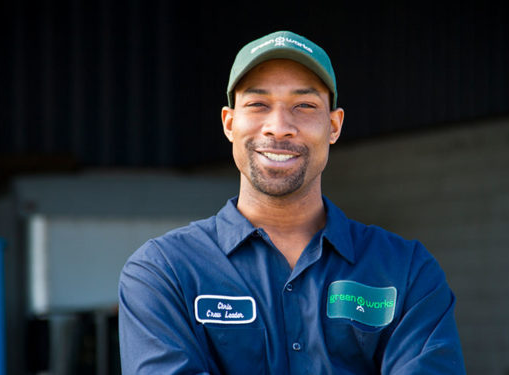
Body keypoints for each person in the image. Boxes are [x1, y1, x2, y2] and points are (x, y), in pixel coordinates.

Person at [118, 30, 466, 374]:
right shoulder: (164, 273)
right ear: (229, 123)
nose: (279, 127)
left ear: (333, 125)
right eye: (258, 104)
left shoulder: (406, 272)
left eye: (304, 105)